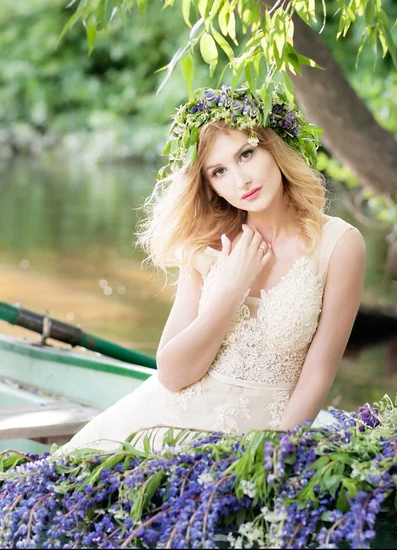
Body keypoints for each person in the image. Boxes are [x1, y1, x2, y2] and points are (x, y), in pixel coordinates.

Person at [57, 83, 366, 454]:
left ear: (275, 148)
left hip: (265, 438)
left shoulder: (340, 244)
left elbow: (318, 374)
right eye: (219, 171)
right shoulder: (209, 244)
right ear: (210, 186)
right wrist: (231, 289)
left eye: (247, 154)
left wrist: (276, 457)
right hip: (163, 427)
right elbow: (172, 375)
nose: (241, 180)